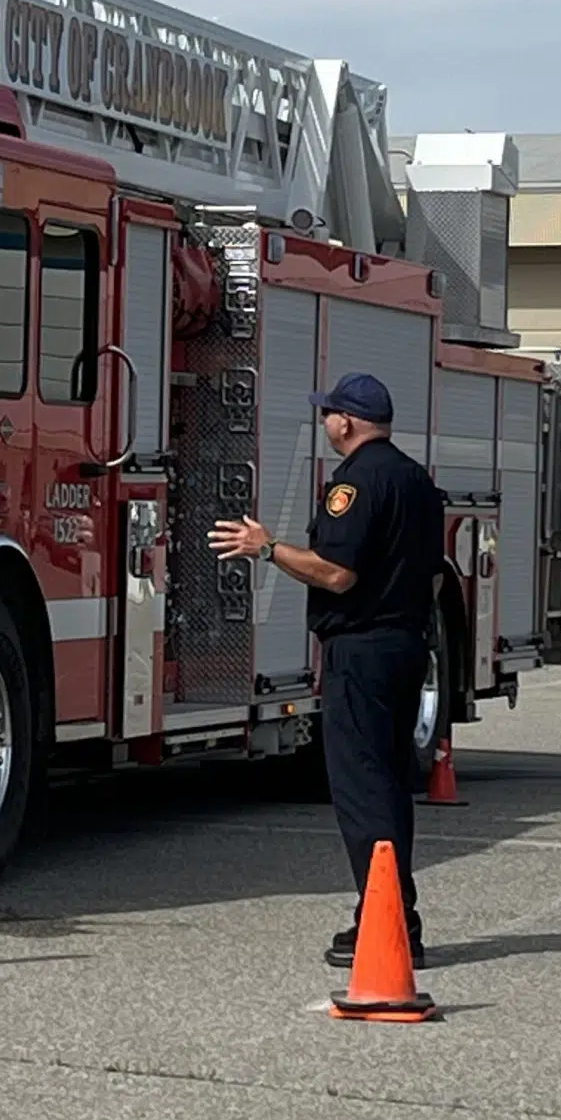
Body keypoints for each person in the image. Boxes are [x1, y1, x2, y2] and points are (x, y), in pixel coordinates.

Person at [207, 371, 444, 970]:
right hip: (407, 645)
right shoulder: (416, 479)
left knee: (362, 788)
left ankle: (383, 919)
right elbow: (435, 573)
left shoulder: (355, 483)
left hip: (361, 650)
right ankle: (397, 914)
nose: (325, 423)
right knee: (389, 783)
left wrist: (266, 547)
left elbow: (337, 572)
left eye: (329, 414)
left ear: (349, 421)